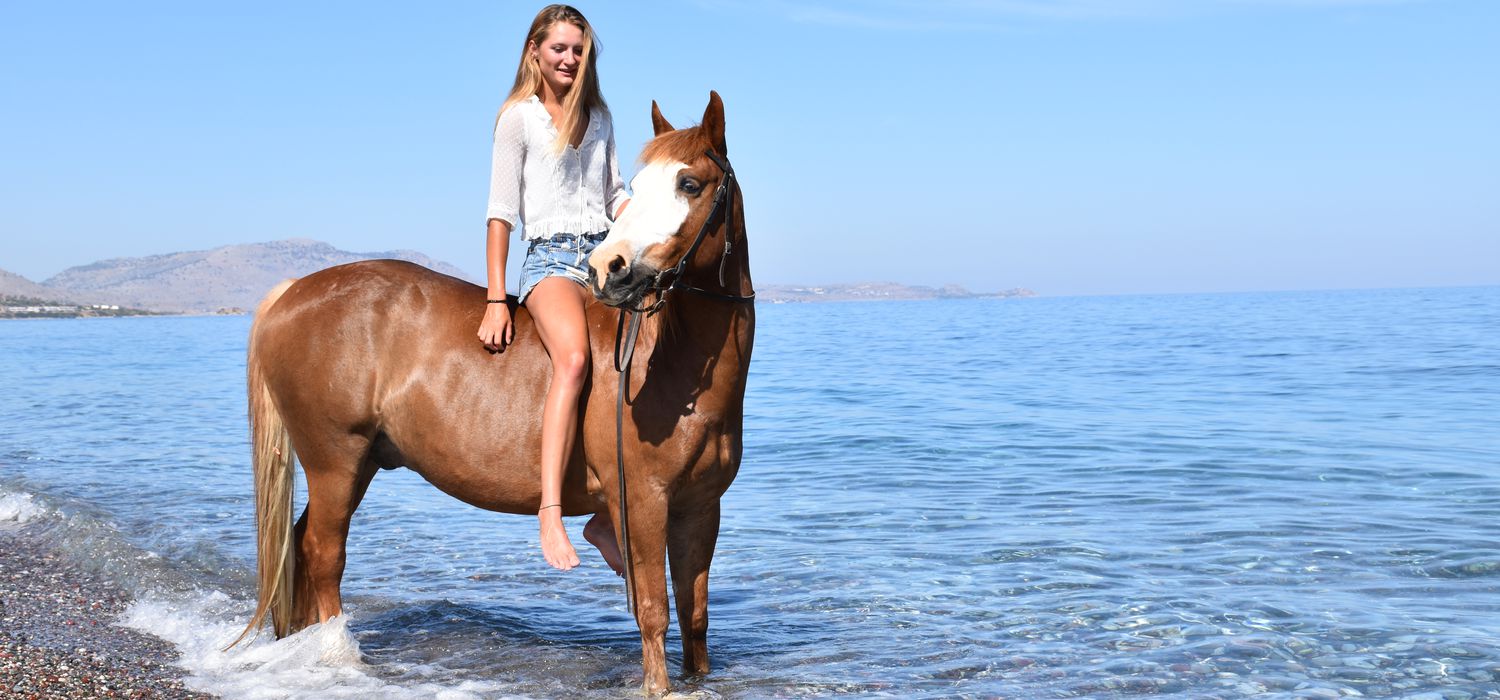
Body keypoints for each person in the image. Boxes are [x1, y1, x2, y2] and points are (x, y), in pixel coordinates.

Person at [476, 4, 628, 574]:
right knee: (572, 360)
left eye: (578, 49)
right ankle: (550, 510)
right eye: (560, 48)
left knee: (643, 361)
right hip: (551, 263)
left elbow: (615, 196)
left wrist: (649, 222)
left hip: (605, 259)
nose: (569, 58)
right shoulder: (519, 118)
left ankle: (606, 520)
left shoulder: (602, 117)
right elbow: (500, 213)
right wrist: (496, 298)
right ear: (535, 51)